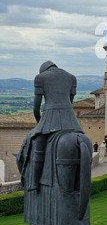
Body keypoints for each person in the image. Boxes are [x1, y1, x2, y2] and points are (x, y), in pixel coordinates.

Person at [17, 61, 84, 192]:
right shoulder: (71, 77)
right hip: (70, 120)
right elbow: (70, 102)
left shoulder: (40, 78)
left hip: (50, 118)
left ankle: (34, 183)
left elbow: (36, 108)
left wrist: (40, 123)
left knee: (39, 148)